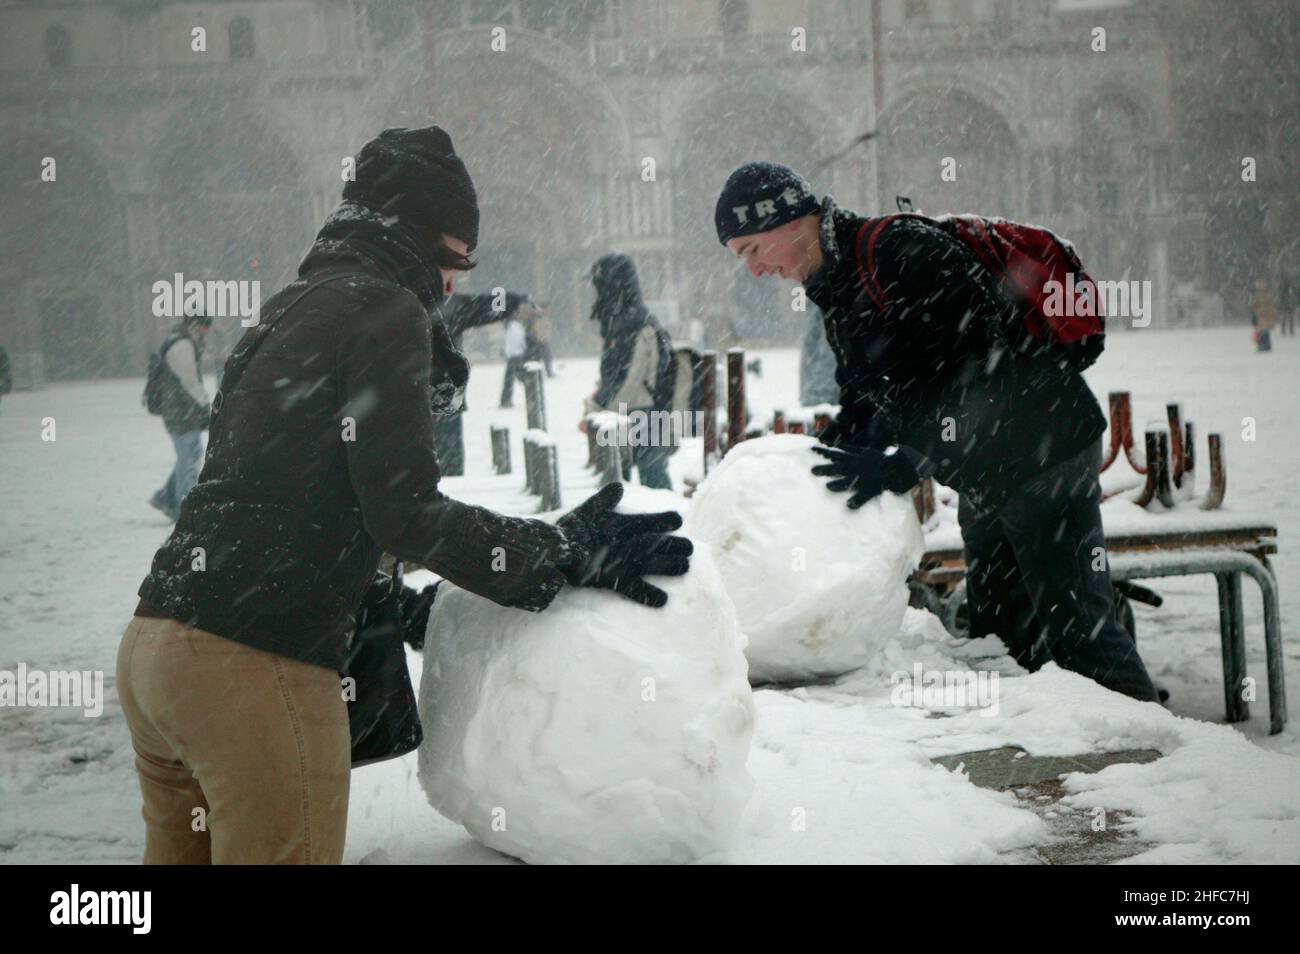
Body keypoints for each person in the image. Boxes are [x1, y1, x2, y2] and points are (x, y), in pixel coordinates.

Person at [117, 126, 692, 865]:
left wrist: (417, 611)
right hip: (256, 671)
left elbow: (296, 500)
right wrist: (555, 552)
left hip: (157, 652)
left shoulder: (288, 308)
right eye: (456, 256)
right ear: (420, 234)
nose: (455, 282)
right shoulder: (385, 308)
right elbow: (403, 511)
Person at [715, 160, 1161, 705]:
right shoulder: (837, 285)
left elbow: (988, 363)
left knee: (1077, 627)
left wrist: (912, 460)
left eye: (752, 251)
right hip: (989, 469)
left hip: (1046, 448)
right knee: (1000, 632)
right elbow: (869, 396)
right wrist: (813, 462)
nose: (755, 270)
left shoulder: (897, 250)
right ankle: (1056, 755)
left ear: (788, 221)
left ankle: (1153, 753)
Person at [585, 252, 676, 491]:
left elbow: (631, 377)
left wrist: (602, 411)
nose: (596, 291)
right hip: (643, 412)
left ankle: (673, 526)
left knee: (647, 487)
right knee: (644, 485)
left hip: (642, 414)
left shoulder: (632, 323)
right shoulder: (627, 319)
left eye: (599, 284)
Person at [436, 290, 537, 474]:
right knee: (447, 463)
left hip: (418, 396)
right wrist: (513, 300)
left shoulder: (405, 299)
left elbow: (481, 306)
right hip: (443, 391)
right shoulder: (445, 305)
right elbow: (481, 307)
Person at [148, 310, 212, 522]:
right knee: (188, 459)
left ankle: (165, 498)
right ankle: (185, 508)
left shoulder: (186, 341)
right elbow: (190, 381)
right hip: (179, 411)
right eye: (204, 326)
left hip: (183, 410)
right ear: (195, 325)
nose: (206, 331)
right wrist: (206, 405)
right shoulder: (182, 345)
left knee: (191, 455)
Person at [498, 307, 529, 407]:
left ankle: (506, 400)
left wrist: (508, 352)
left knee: (511, 379)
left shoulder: (513, 326)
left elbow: (515, 341)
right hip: (515, 355)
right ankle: (531, 394)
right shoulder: (515, 326)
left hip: (514, 356)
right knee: (515, 378)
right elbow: (518, 341)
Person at [1249, 276, 1277, 353]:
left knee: (1265, 332)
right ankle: (1263, 345)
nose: (1261, 286)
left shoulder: (1267, 295)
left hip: (1265, 316)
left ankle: (1265, 345)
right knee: (1262, 332)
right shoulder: (1256, 295)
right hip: (1260, 316)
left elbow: (1270, 305)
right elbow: (1252, 305)